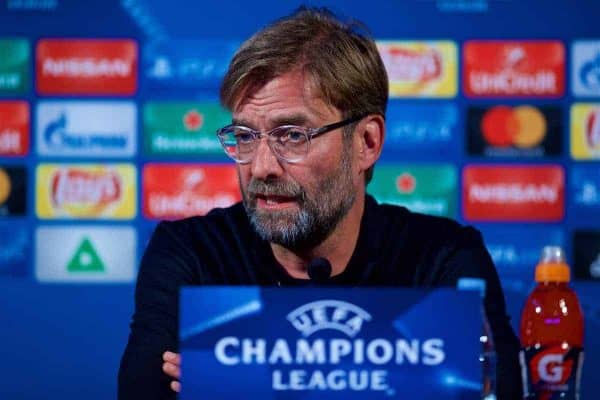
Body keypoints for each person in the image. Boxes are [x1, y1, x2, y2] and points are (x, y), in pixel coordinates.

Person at [118, 7, 522, 400]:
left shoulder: (444, 260)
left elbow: (493, 390)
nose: (261, 167)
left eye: (292, 135)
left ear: (367, 142)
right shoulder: (191, 255)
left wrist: (244, 381)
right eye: (245, 135)